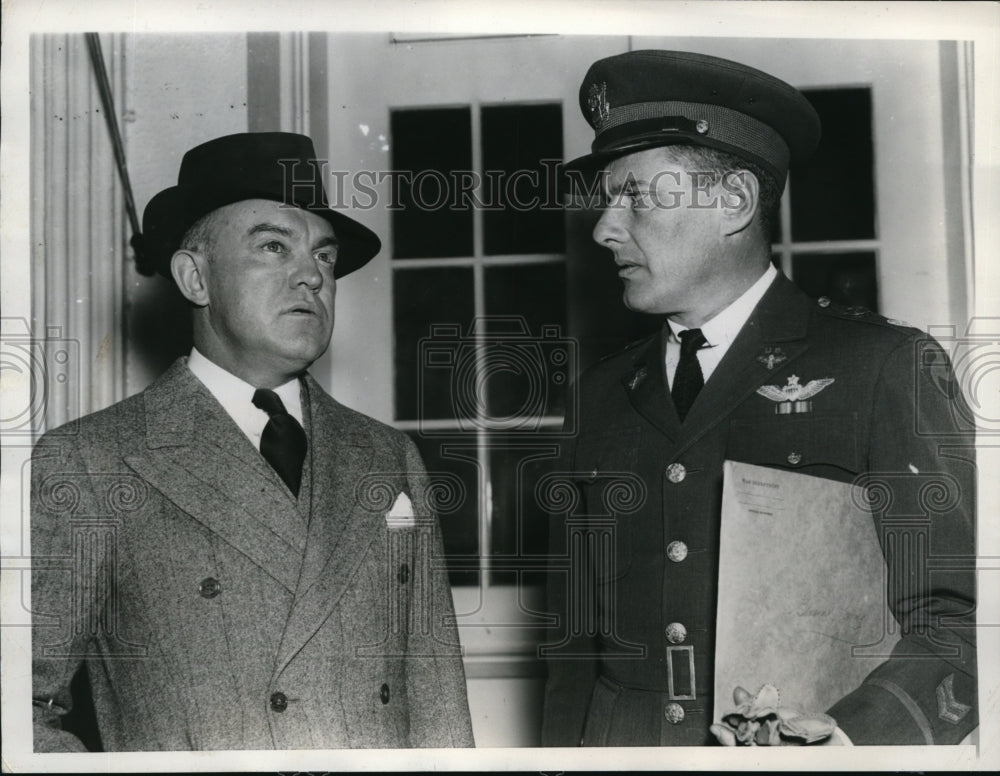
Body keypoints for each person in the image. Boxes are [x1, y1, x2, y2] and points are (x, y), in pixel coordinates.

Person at [541, 50, 977, 746]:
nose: (604, 227)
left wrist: (857, 739)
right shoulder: (597, 397)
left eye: (636, 197)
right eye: (605, 199)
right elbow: (574, 654)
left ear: (735, 203)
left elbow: (960, 619)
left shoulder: (882, 367)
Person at [31, 132, 475, 751]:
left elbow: (437, 699)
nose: (312, 277)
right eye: (274, 247)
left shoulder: (386, 455)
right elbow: (23, 707)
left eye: (325, 256)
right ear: (195, 277)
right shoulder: (91, 461)